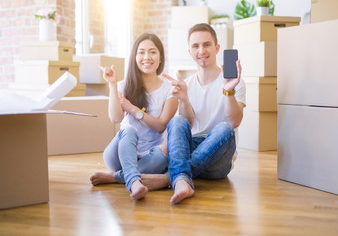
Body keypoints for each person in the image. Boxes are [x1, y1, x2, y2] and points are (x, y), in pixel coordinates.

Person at [161, 23, 246, 204]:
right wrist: (183, 98)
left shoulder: (233, 81)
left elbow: (235, 122)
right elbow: (187, 125)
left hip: (219, 157)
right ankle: (182, 179)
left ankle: (170, 178)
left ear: (216, 48)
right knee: (176, 122)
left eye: (206, 44)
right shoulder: (188, 83)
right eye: (195, 46)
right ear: (190, 52)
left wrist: (228, 90)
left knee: (225, 128)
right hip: (193, 148)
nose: (202, 50)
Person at [90, 33, 178, 200]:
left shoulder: (169, 89)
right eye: (141, 52)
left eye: (152, 52)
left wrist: (132, 109)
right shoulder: (124, 85)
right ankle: (134, 182)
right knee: (129, 130)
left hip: (150, 157)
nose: (147, 57)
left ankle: (115, 177)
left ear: (160, 58)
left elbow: (160, 126)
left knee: (164, 154)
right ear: (135, 57)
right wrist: (112, 85)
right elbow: (115, 118)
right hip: (119, 153)